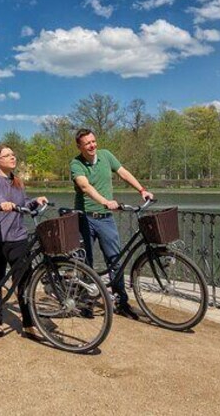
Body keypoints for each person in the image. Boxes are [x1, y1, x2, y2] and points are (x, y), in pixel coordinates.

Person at [70, 128, 154, 319]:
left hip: (105, 218)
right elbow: (84, 186)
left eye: (94, 141)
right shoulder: (76, 163)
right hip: (84, 218)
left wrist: (142, 190)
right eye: (87, 143)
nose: (92, 145)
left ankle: (121, 302)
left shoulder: (106, 156)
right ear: (79, 146)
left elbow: (123, 173)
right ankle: (86, 302)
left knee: (115, 260)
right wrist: (105, 201)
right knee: (86, 262)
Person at [0, 144, 48, 337]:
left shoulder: (17, 181)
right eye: (7, 155)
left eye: (13, 154)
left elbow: (23, 203)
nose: (13, 157)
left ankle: (28, 323)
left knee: (24, 281)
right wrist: (2, 203)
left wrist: (35, 201)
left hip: (17, 237)